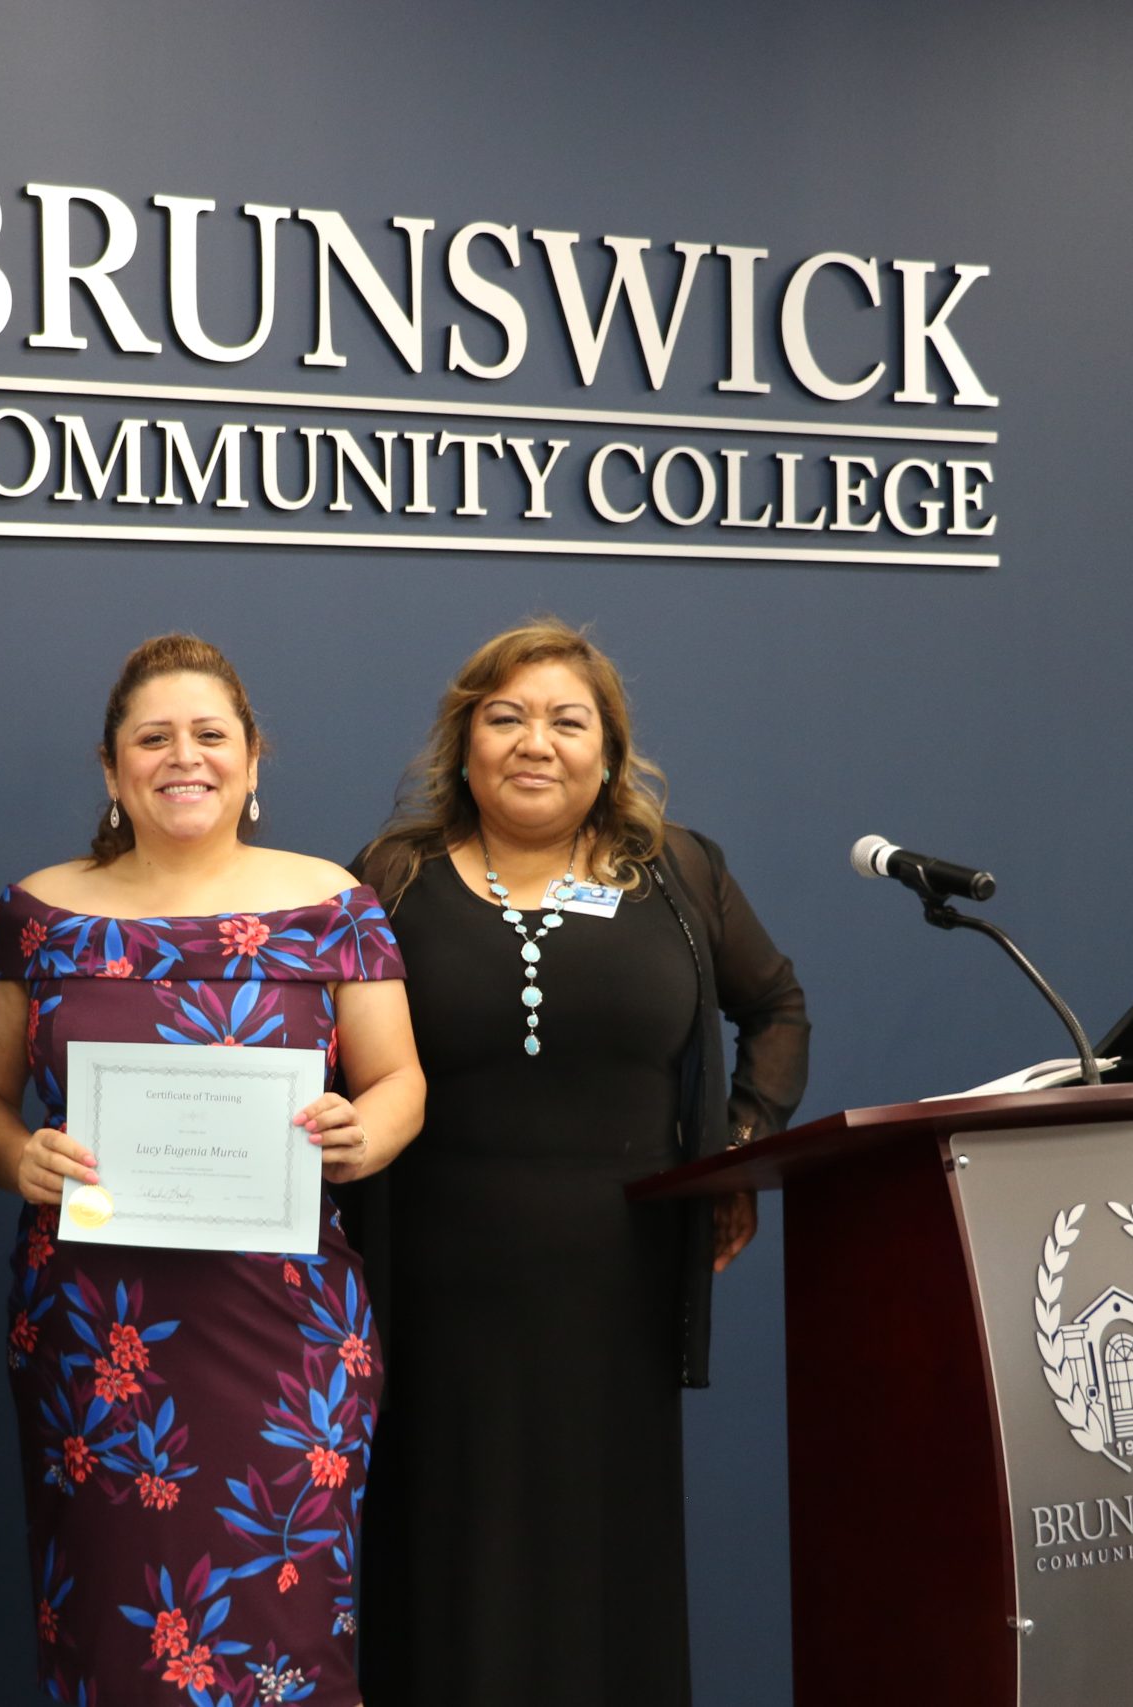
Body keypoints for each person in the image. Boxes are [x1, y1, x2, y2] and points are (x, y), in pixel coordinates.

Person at [0, 634, 425, 1707]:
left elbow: (402, 1079)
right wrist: (15, 1154)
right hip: (95, 1335)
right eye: (153, 737)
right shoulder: (36, 915)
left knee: (286, 1629)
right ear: (112, 767)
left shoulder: (334, 907)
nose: (186, 757)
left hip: (285, 1330)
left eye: (211, 736)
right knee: (114, 1631)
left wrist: (371, 1129)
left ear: (254, 761)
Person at [351, 619, 809, 1707]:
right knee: (448, 1555)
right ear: (461, 744)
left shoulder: (678, 874)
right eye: (504, 717)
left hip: (622, 1285)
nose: (534, 742)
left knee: (606, 1557)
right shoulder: (387, 879)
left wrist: (735, 1152)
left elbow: (776, 1007)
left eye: (567, 719)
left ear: (608, 751)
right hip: (436, 1290)